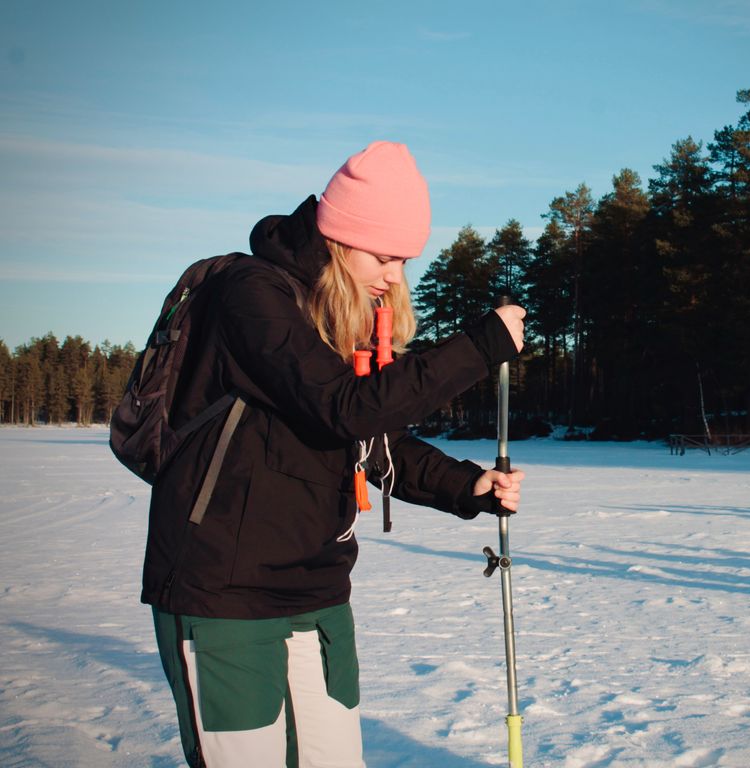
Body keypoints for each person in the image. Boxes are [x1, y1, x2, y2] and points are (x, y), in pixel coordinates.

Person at [143, 141, 526, 768]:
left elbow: (374, 439)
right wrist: (477, 347)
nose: (395, 276)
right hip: (223, 594)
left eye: (405, 260)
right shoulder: (250, 294)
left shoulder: (341, 311)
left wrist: (467, 486)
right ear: (341, 237)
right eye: (385, 256)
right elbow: (342, 407)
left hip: (317, 591)